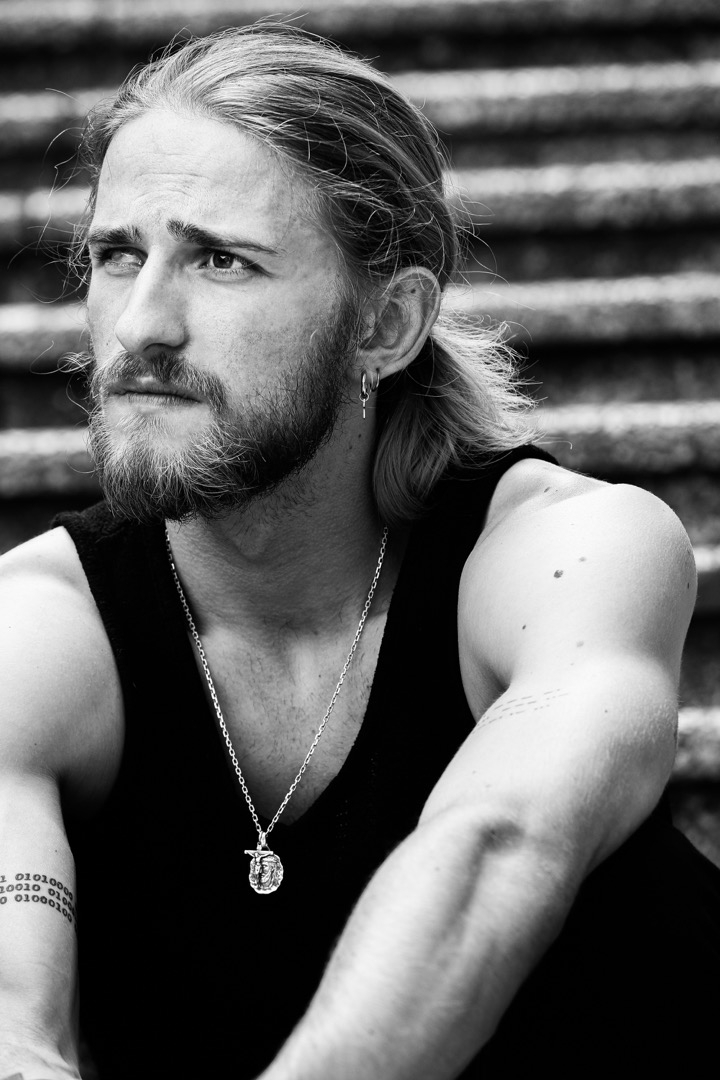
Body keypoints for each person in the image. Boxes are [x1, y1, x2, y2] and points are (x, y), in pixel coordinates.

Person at [1, 22, 719, 1080]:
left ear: (386, 324)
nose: (140, 324)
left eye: (221, 260)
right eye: (118, 256)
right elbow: (15, 1025)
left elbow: (497, 845)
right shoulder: (35, 630)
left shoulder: (568, 552)